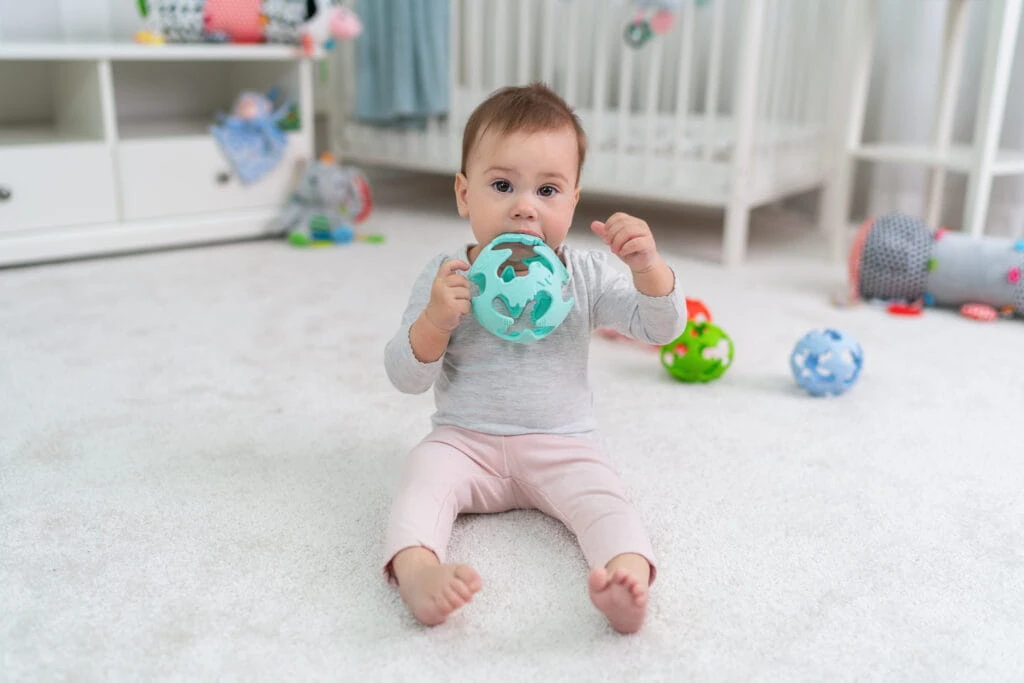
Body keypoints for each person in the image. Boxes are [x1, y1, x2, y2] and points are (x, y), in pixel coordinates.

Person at [382, 83, 687, 634]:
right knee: (421, 478)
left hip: (562, 443)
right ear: (464, 194)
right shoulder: (446, 277)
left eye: (548, 190)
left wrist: (648, 268)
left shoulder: (585, 274)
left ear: (573, 201)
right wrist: (435, 321)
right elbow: (404, 377)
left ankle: (626, 579)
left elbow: (660, 329)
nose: (525, 207)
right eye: (502, 185)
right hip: (465, 441)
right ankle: (418, 571)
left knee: (608, 502)